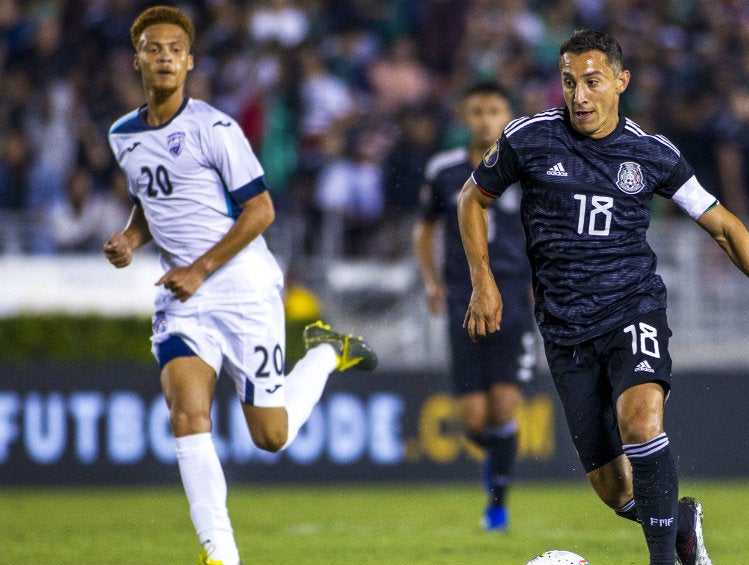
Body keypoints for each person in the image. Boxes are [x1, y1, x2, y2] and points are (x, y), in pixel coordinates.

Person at [458, 30, 749, 565]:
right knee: (612, 488)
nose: (578, 96)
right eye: (568, 83)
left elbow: (723, 225)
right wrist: (482, 281)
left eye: (591, 82)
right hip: (564, 330)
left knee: (642, 420)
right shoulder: (528, 139)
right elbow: (473, 198)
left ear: (620, 82)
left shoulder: (651, 154)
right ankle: (680, 522)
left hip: (632, 309)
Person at [102, 7, 377, 565]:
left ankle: (324, 354)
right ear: (137, 60)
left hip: (243, 288)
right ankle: (220, 553)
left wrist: (200, 268)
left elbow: (260, 210)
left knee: (270, 437)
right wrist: (132, 238)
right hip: (182, 298)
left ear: (189, 61)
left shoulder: (214, 128)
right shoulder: (122, 136)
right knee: (187, 415)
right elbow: (153, 202)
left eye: (174, 49)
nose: (164, 57)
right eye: (153, 48)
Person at [414, 82, 536, 532]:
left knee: (504, 407)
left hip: (513, 296)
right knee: (475, 421)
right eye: (478, 111)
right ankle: (495, 467)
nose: (485, 119)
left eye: (494, 110)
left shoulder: (525, 169)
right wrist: (431, 281)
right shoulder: (444, 170)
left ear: (508, 116)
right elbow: (424, 230)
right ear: (466, 117)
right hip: (463, 299)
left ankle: (497, 504)